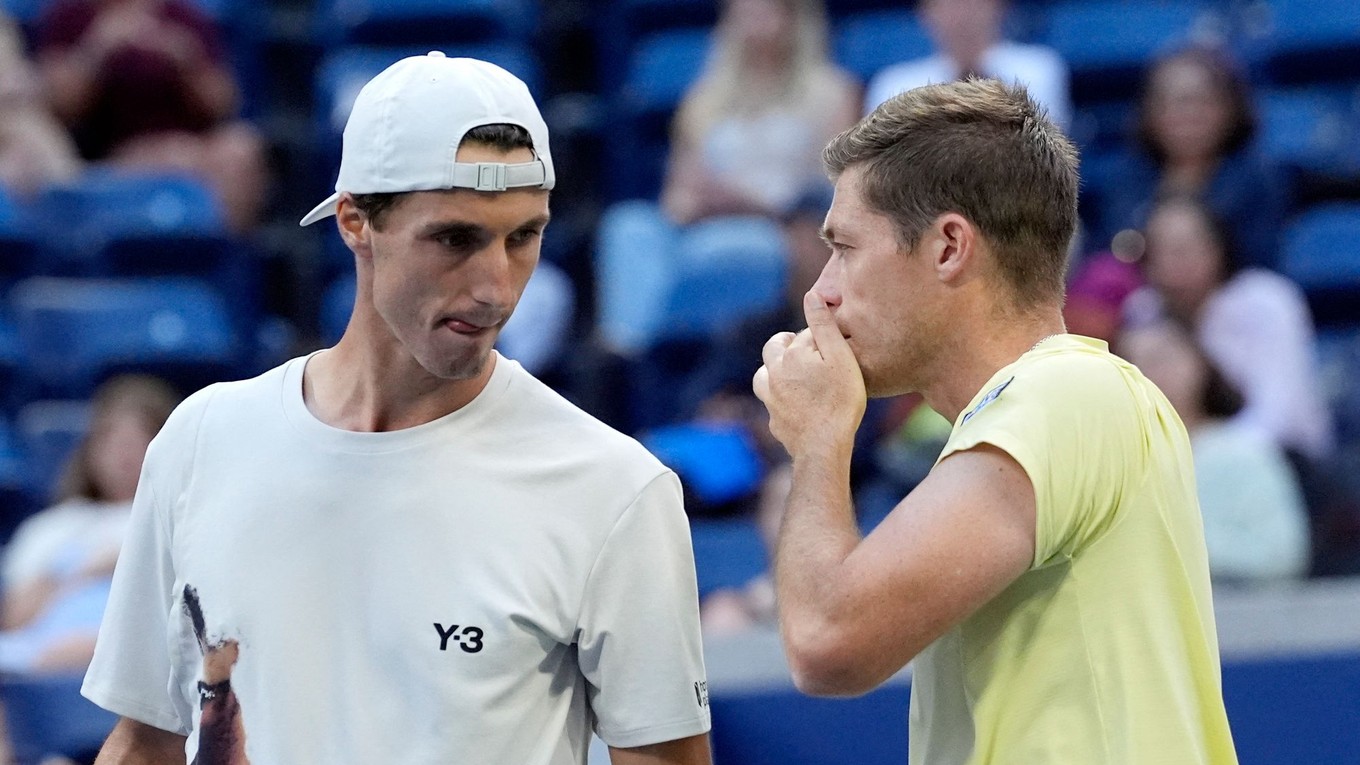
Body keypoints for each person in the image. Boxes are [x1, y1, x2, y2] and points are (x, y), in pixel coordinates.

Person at [81, 54, 712, 764]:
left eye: (523, 236)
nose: (496, 287)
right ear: (355, 220)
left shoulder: (615, 487)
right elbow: (144, 742)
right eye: (455, 238)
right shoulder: (200, 441)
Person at [753, 79, 1238, 763]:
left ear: (949, 246)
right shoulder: (1051, 405)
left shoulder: (1063, 392)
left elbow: (828, 641)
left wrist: (818, 439)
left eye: (846, 247)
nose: (821, 292)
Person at [1124, 194, 1332, 461]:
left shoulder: (1266, 301)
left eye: (1181, 250)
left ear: (1217, 247)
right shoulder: (1143, 311)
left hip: (1287, 460)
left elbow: (1278, 415)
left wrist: (1210, 457)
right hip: (1185, 462)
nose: (1168, 264)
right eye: (1156, 251)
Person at [36, 0, 268, 232]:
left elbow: (223, 103)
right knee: (173, 161)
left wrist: (186, 60)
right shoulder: (71, 16)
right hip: (111, 156)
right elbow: (57, 105)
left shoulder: (182, 15)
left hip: (190, 145)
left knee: (240, 147)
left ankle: (224, 257)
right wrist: (96, 51)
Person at [0, 375, 178, 673]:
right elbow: (14, 620)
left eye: (138, 442)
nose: (125, 455)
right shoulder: (48, 528)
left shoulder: (181, 522)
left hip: (145, 664)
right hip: (44, 663)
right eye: (113, 442)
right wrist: (76, 576)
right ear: (91, 450)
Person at [1119, 320, 1310, 584]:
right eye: (1129, 364)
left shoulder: (1243, 452)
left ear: (1200, 363)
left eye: (1161, 359)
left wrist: (1167, 545)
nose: (1147, 373)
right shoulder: (1115, 460)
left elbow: (1280, 554)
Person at [660, 0, 858, 224]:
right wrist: (691, 203)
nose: (754, 22)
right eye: (745, 12)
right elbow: (675, 197)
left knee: (729, 248)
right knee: (629, 223)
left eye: (766, 11)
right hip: (706, 223)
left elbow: (836, 189)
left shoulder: (832, 93)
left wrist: (750, 202)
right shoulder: (702, 100)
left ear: (794, 18)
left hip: (785, 226)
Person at [1091, 47, 1286, 270]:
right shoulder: (1125, 181)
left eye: (1200, 102)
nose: (1187, 115)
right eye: (1170, 103)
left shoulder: (1256, 179)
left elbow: (1258, 260)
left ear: (1231, 109)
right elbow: (1114, 254)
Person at [863, 0, 1070, 129]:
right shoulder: (892, 83)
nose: (962, 14)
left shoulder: (1039, 67)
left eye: (971, 2)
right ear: (926, 13)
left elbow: (1045, 139)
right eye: (948, 3)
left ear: (997, 5)